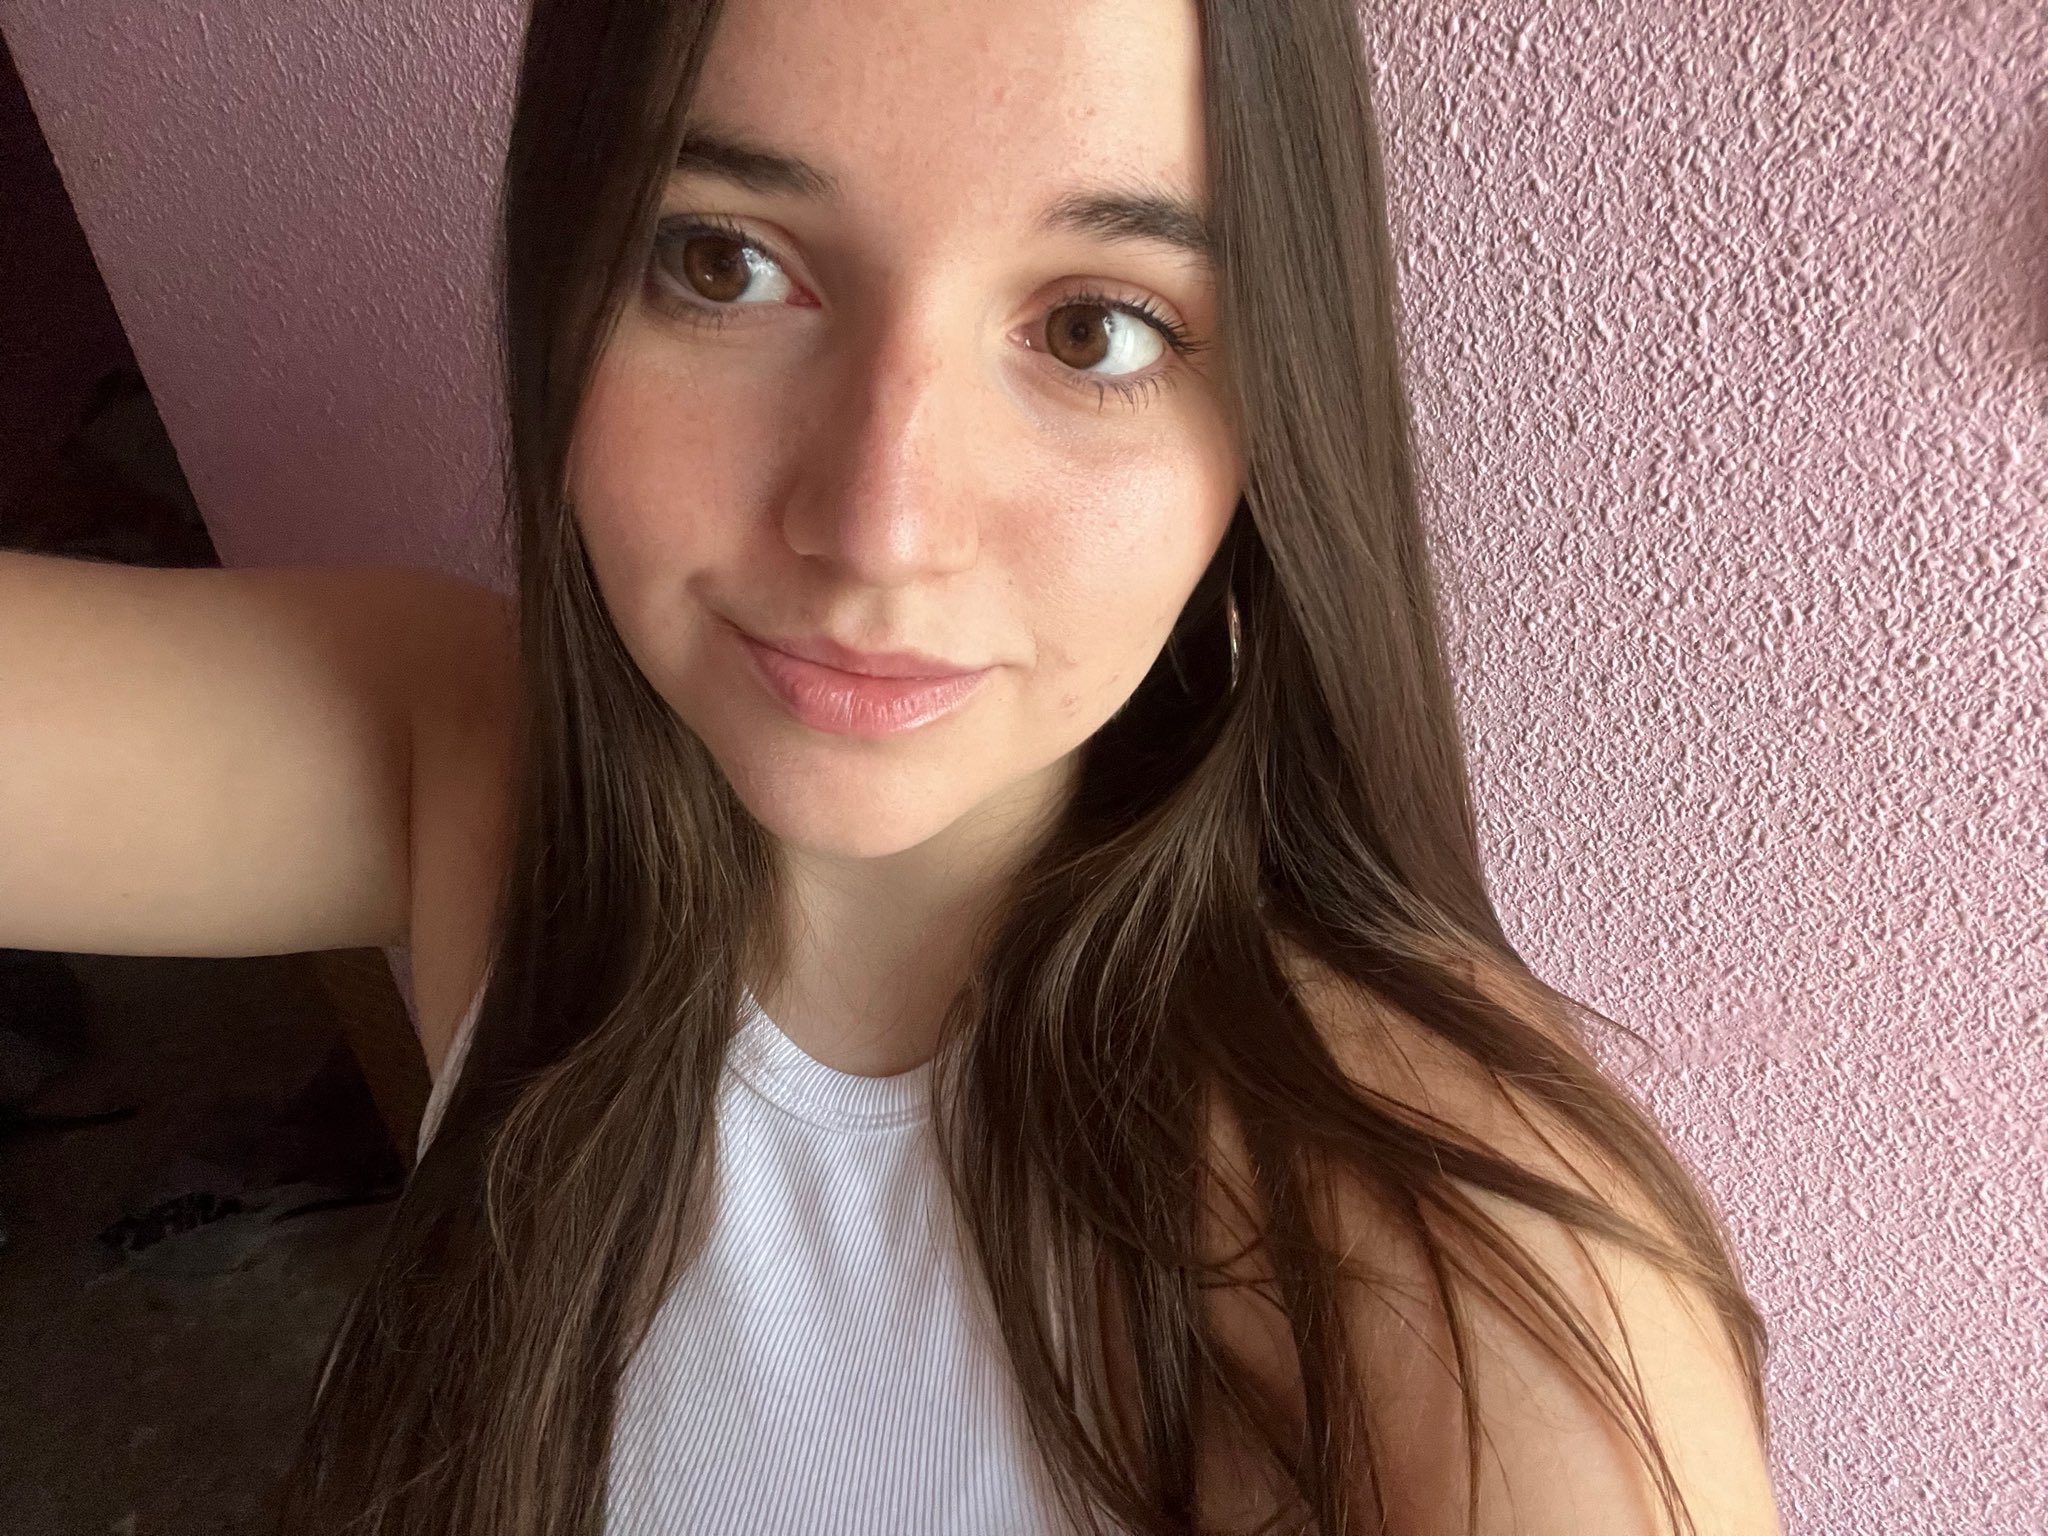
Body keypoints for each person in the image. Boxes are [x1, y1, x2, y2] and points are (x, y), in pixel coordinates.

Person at [0, 0, 1786, 1531]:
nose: (880, 528)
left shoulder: (1452, 1246)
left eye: (1094, 326)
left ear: (1270, 419)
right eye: (722, 261)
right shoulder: (476, 768)